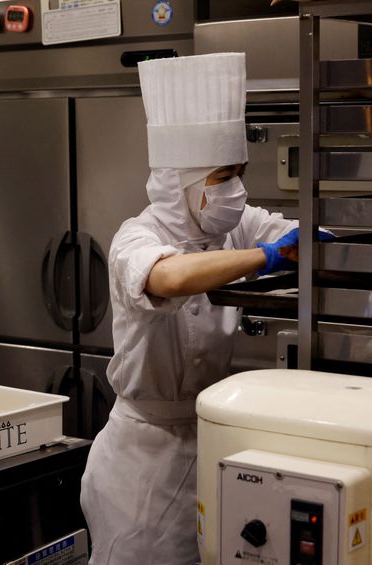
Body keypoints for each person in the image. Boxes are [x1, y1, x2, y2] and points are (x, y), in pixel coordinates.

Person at [79, 53, 312, 564]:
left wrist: (311, 241)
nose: (236, 190)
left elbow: (290, 235)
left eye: (239, 174)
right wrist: (265, 258)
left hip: (211, 442)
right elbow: (170, 276)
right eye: (223, 176)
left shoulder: (230, 224)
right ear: (179, 182)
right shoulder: (136, 238)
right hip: (142, 460)